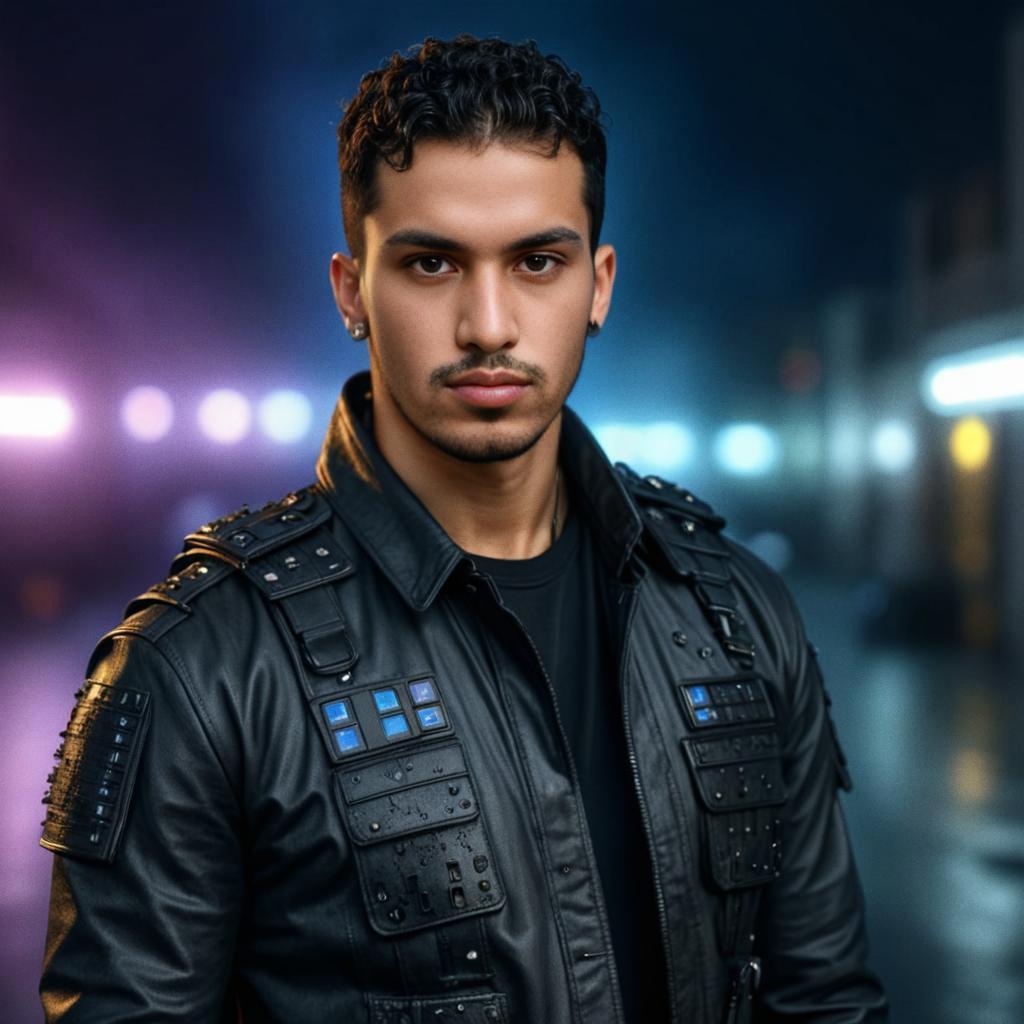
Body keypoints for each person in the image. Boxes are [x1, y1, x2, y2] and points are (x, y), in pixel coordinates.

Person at [39, 34, 888, 1024]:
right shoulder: (202, 663)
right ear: (353, 290)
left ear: (598, 285)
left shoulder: (735, 611)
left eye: (536, 261)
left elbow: (825, 999)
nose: (489, 323)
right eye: (433, 262)